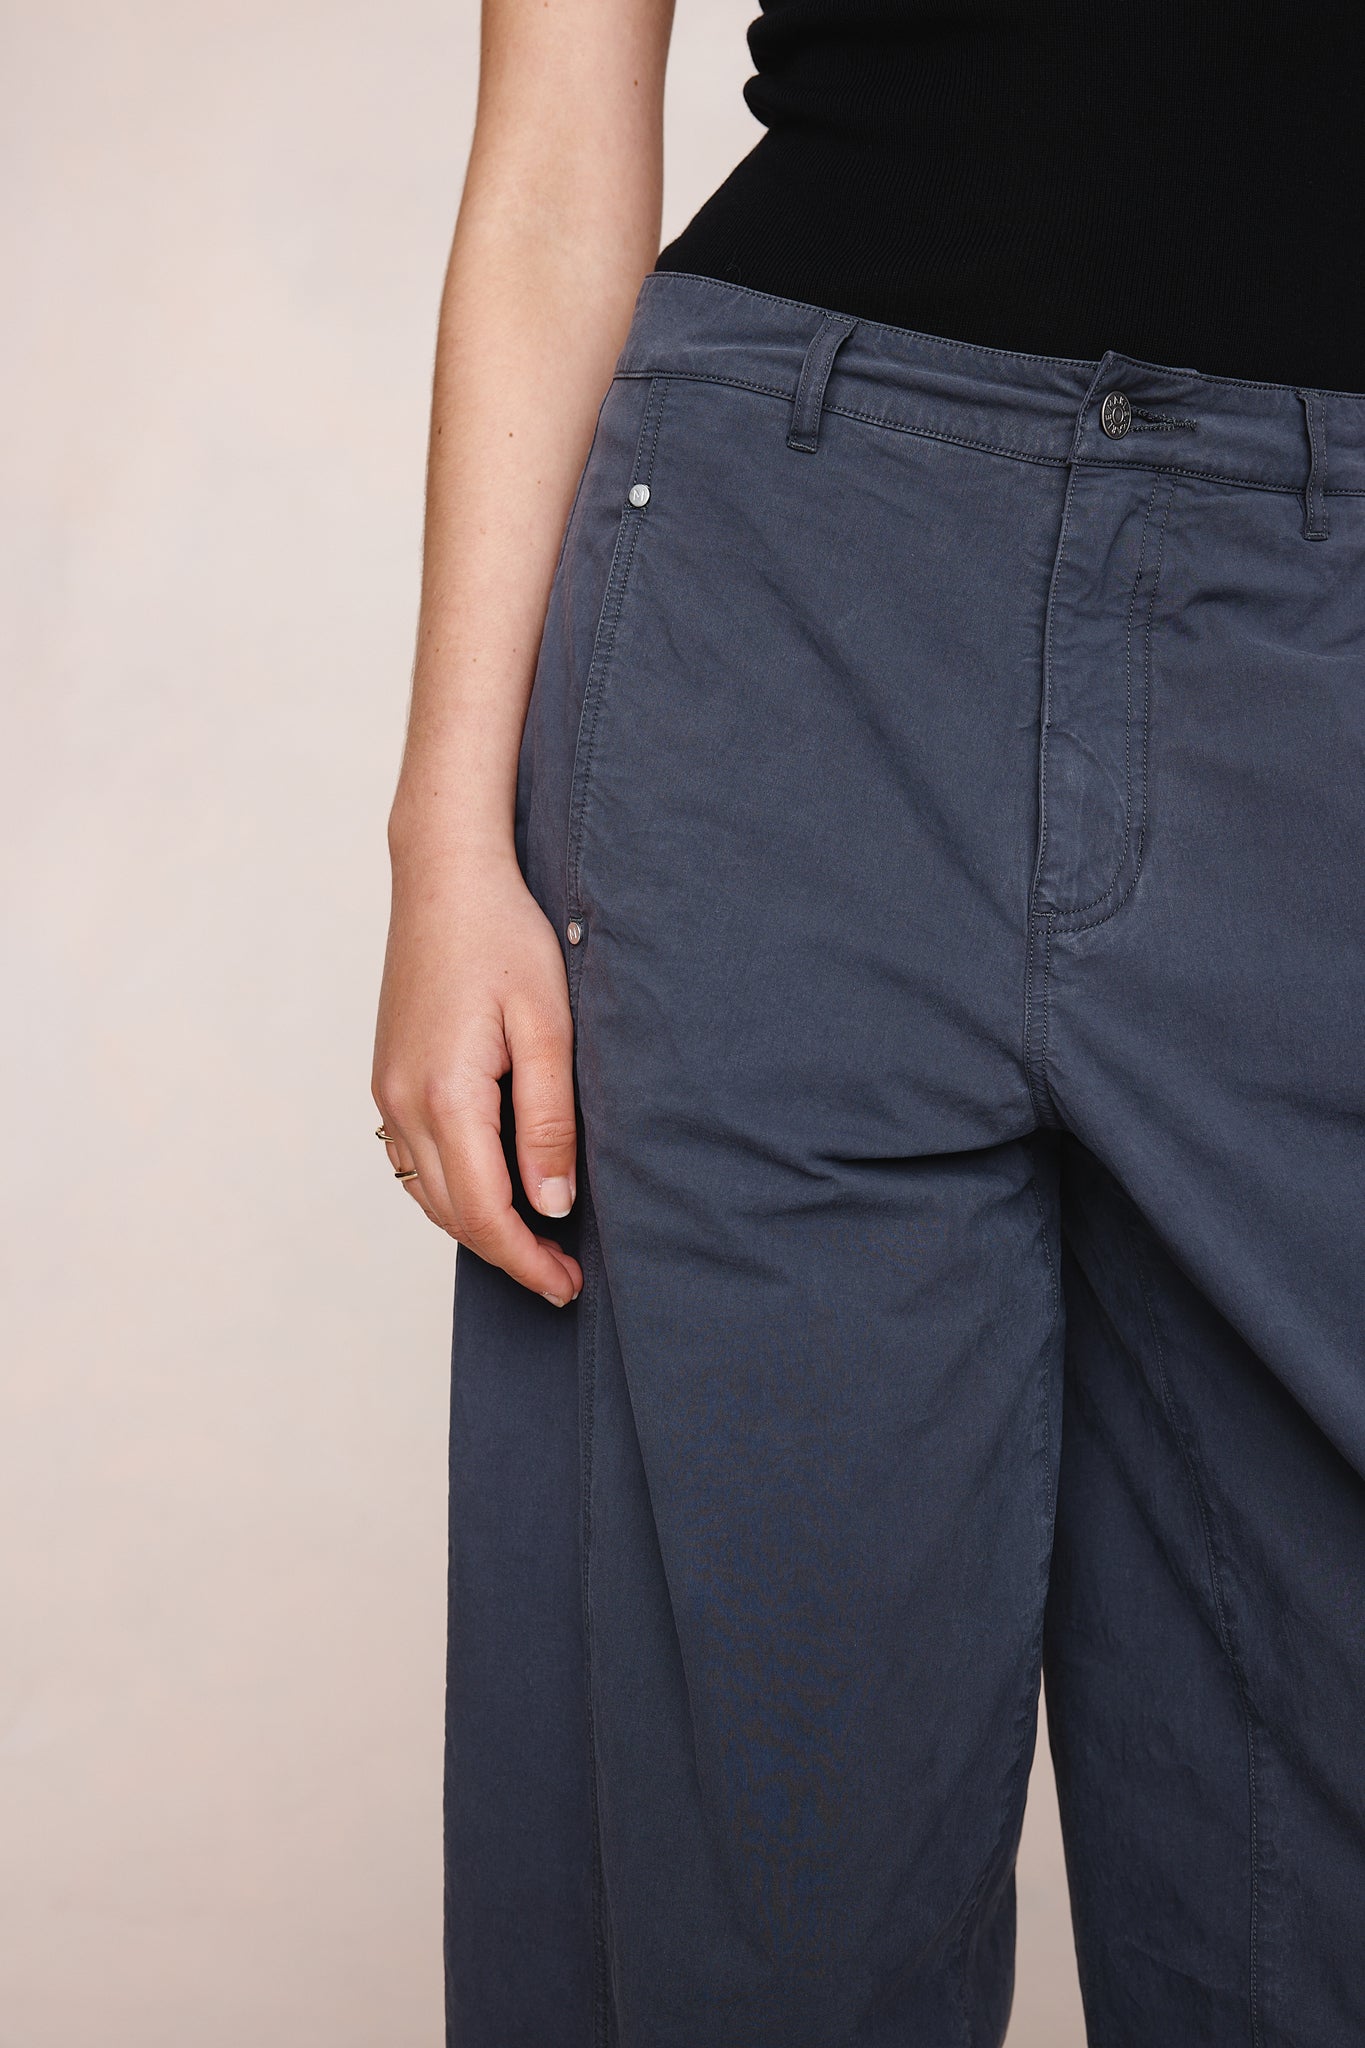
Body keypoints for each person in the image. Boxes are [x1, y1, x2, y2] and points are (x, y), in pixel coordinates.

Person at [371, 2, 1365, 2041]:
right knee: (756, 1849)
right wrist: (444, 828)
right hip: (787, 602)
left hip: (1326, 646)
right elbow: (556, 147)